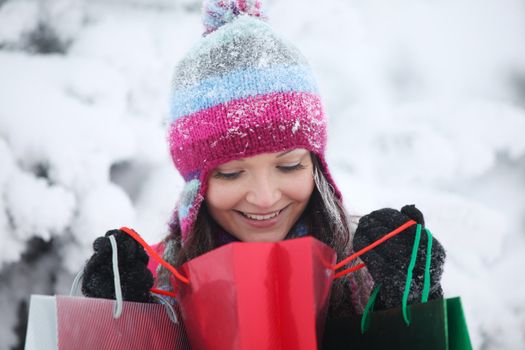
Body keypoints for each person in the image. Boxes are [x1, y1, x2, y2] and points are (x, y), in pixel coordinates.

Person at [81, 0, 446, 340]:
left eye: (288, 166)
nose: (265, 197)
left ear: (316, 166)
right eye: (230, 173)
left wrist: (409, 311)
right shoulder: (151, 283)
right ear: (196, 185)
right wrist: (125, 329)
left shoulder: (366, 270)